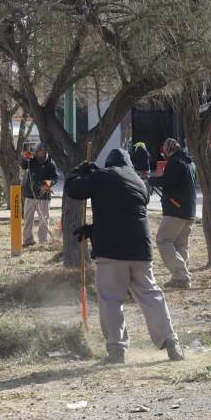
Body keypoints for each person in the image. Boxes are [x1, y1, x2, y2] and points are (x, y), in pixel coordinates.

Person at [65, 148, 185, 364]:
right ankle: (171, 341)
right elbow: (124, 210)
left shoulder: (102, 176)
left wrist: (79, 170)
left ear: (108, 164)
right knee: (151, 296)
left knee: (111, 299)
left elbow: (73, 190)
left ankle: (117, 351)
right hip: (141, 250)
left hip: (112, 253)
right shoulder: (140, 183)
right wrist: (93, 230)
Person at [148, 138, 197, 289]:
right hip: (189, 211)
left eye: (164, 151)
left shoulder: (175, 162)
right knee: (180, 245)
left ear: (169, 150)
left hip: (175, 210)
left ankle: (181, 275)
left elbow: (168, 181)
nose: (164, 155)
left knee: (163, 241)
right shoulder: (190, 162)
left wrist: (152, 180)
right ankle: (181, 279)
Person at [20, 143, 59, 247]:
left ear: (46, 152)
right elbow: (23, 165)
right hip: (30, 194)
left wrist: (47, 184)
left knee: (44, 219)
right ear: (36, 152)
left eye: (43, 151)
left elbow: (55, 177)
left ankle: (43, 240)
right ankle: (28, 240)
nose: (40, 153)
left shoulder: (51, 164)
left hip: (44, 196)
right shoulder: (31, 161)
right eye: (39, 151)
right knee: (28, 218)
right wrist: (25, 157)